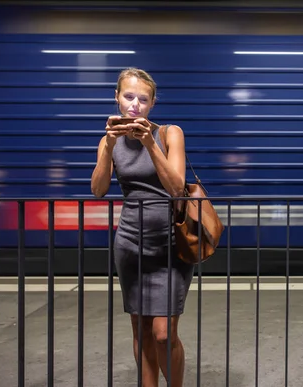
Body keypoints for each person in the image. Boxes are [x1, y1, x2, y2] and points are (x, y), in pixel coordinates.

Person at [90, 67, 194, 387]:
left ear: (152, 104)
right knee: (141, 330)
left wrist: (150, 143)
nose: (135, 105)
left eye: (143, 99)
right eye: (129, 97)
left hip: (168, 245)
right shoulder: (109, 141)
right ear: (117, 98)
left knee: (163, 334)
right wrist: (108, 145)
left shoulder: (169, 134)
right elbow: (98, 189)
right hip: (130, 244)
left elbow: (177, 188)